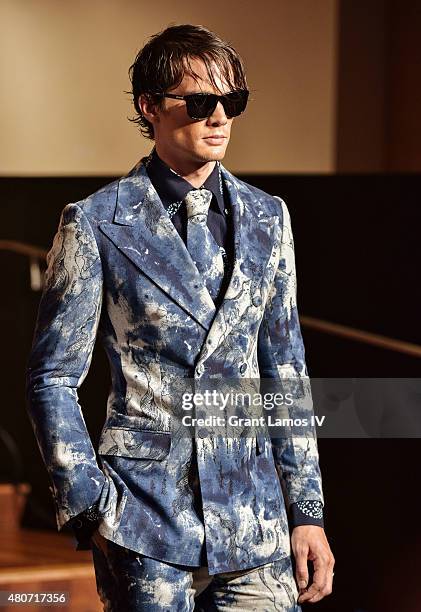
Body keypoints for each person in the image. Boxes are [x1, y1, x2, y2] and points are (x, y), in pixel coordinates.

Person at [25, 23, 335, 611]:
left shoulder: (268, 217)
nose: (219, 117)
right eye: (200, 101)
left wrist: (307, 512)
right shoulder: (96, 223)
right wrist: (87, 499)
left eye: (232, 102)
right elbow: (53, 377)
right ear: (150, 106)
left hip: (255, 518)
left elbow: (286, 374)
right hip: (145, 516)